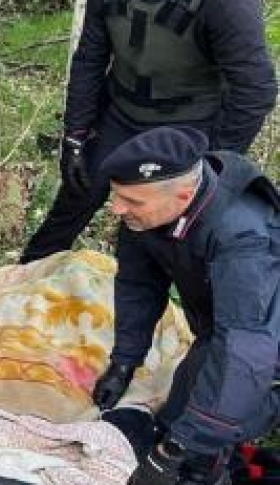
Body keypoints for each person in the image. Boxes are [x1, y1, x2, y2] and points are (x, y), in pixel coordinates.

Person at [20, 0, 276, 263]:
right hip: (121, 115)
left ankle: (170, 307)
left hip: (190, 128)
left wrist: (216, 162)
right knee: (75, 197)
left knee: (168, 234)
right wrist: (75, 135)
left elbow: (255, 90)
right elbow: (90, 60)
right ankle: (18, 286)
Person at [89, 127, 279, 485]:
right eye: (116, 196)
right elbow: (137, 284)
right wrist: (124, 362)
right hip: (221, 327)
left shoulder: (242, 236)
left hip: (264, 340)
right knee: (174, 421)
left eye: (131, 201)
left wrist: (178, 451)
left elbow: (244, 348)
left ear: (184, 194)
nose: (116, 208)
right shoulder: (147, 211)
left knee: (205, 444)